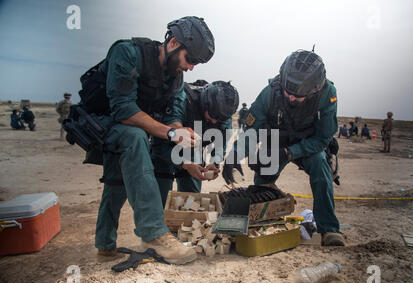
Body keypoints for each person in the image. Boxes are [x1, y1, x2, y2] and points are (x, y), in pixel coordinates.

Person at [89, 16, 215, 264]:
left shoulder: (175, 78)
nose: (191, 68)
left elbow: (171, 120)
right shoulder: (127, 52)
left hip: (128, 131)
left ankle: (105, 245)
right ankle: (153, 233)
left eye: (196, 64)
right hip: (103, 123)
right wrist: (169, 132)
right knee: (134, 138)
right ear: (174, 43)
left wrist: (187, 159)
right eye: (190, 59)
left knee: (117, 181)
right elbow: (123, 109)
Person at [222, 49, 344, 246]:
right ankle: (261, 222)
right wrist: (234, 156)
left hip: (308, 145)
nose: (292, 98)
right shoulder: (270, 92)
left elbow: (323, 138)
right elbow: (251, 132)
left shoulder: (328, 94)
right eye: (288, 92)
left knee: (321, 168)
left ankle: (329, 229)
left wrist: (289, 153)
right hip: (276, 141)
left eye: (299, 96)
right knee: (262, 183)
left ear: (314, 90)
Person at [151, 80, 239, 206]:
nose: (214, 121)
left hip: (193, 150)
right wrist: (185, 164)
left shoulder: (223, 114)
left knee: (192, 201)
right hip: (166, 146)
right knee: (159, 200)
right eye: (212, 115)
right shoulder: (181, 100)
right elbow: (161, 141)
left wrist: (215, 162)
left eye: (219, 119)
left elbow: (221, 144)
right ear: (205, 104)